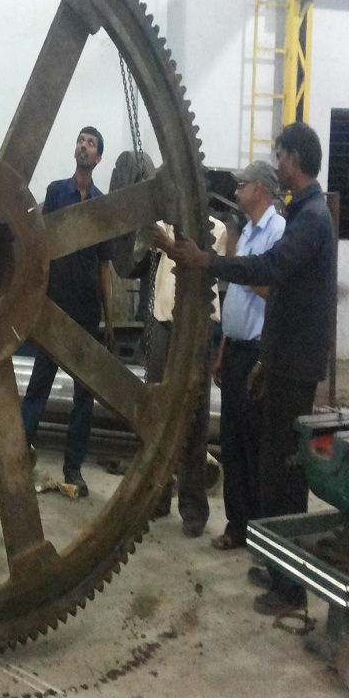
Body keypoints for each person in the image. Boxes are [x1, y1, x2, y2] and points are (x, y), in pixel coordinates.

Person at [153, 122, 336, 616]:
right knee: (271, 469)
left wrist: (207, 261)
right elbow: (285, 298)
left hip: (294, 367)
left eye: (280, 155)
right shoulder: (304, 213)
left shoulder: (311, 219)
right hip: (280, 361)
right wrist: (264, 361)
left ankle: (290, 588)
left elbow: (267, 271)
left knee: (284, 476)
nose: (277, 163)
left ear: (295, 159)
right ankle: (277, 567)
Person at [20, 127, 115, 498]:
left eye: (90, 143)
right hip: (53, 309)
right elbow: (41, 251)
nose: (83, 146)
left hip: (87, 313)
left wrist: (109, 318)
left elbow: (104, 265)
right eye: (80, 140)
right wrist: (35, 301)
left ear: (98, 157)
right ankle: (17, 457)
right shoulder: (56, 193)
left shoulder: (102, 205)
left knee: (83, 397)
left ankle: (73, 468)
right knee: (38, 389)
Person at [210, 160, 285, 552]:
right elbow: (236, 296)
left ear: (260, 189)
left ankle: (258, 532)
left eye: (242, 185)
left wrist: (242, 268)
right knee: (233, 442)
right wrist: (222, 350)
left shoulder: (278, 231)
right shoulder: (249, 233)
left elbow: (274, 289)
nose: (237, 191)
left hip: (258, 353)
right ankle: (236, 525)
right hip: (235, 349)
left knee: (255, 444)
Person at [146, 216, 226, 537]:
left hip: (196, 328)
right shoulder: (164, 224)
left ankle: (193, 509)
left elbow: (201, 268)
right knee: (158, 413)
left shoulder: (215, 230)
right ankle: (158, 497)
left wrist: (167, 245)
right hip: (162, 322)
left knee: (193, 418)